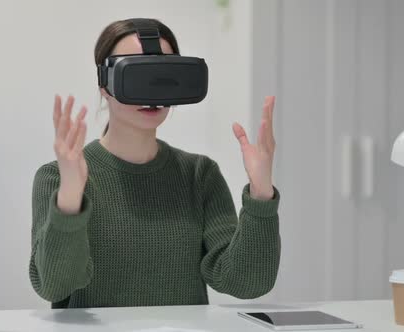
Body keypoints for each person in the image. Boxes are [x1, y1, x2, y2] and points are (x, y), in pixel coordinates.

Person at [29, 18, 281, 308]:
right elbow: (54, 286)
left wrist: (261, 196)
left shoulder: (200, 175)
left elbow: (245, 282)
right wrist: (70, 198)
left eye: (161, 73)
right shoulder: (56, 177)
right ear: (104, 84)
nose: (151, 91)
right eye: (136, 73)